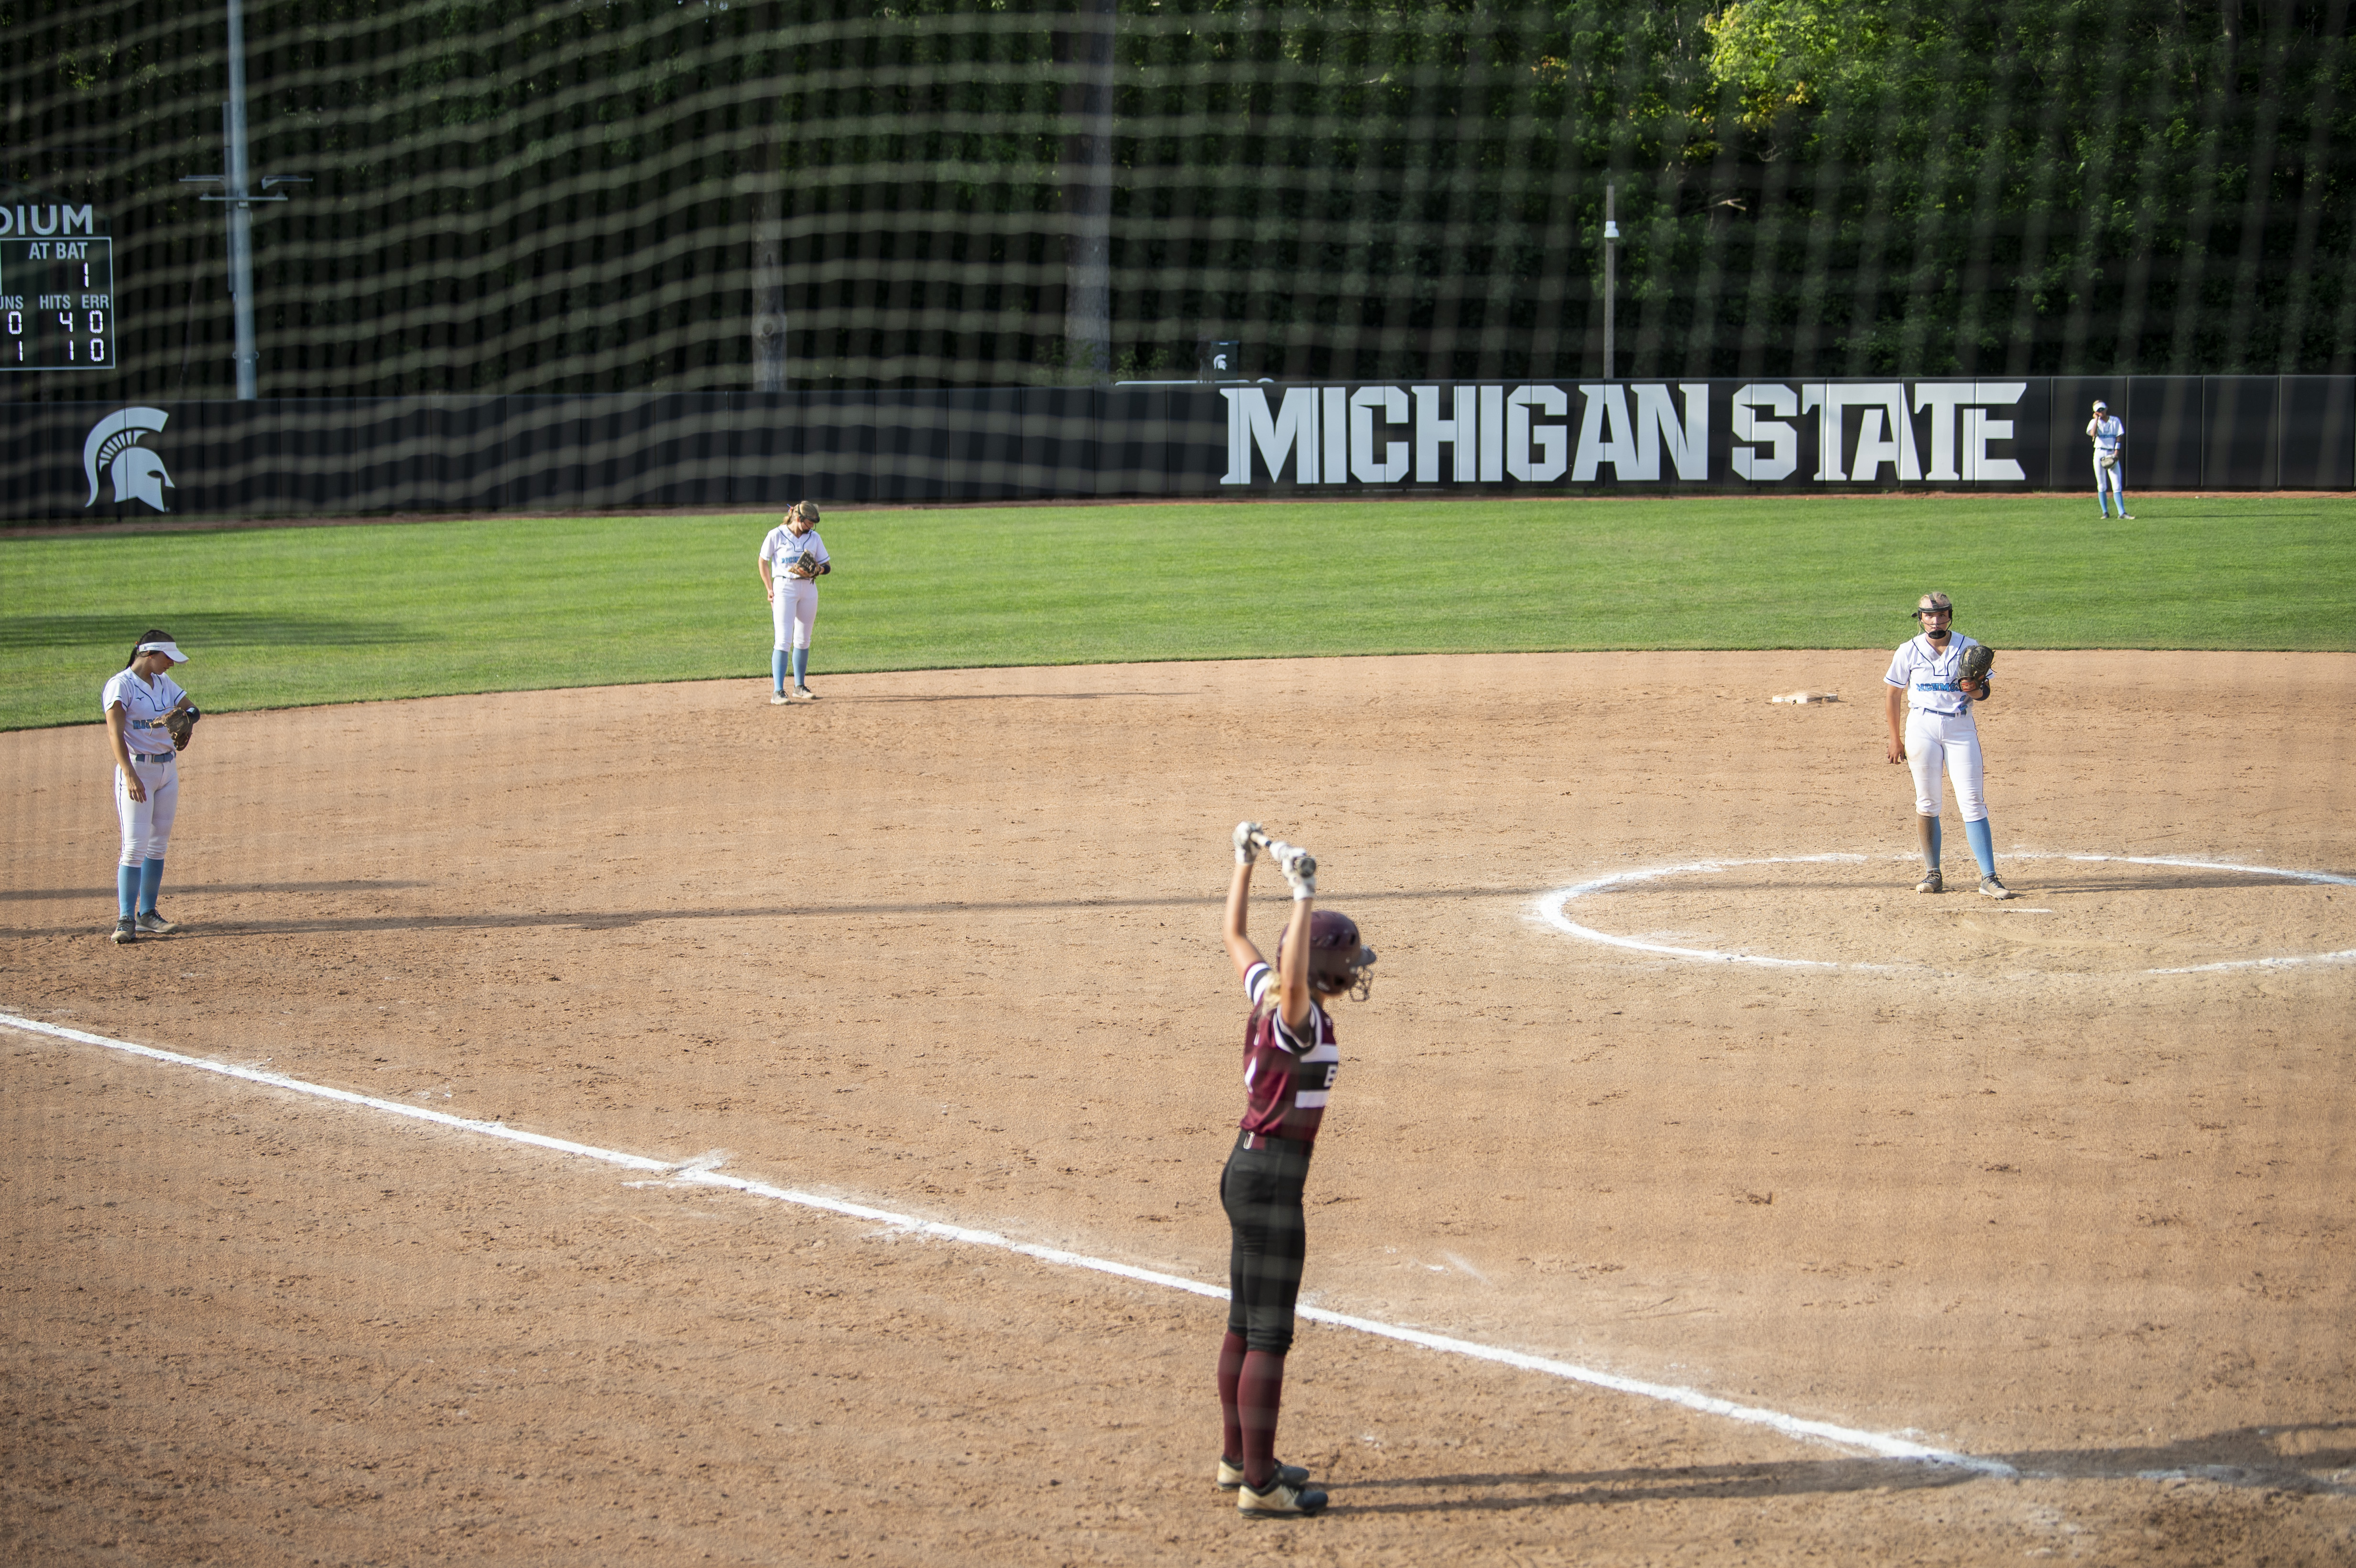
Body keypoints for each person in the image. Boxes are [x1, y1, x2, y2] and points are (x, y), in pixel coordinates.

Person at [1214, 821, 1376, 1518]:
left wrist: (1242, 865)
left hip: (1244, 1171)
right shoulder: (1296, 1018)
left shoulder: (1265, 993)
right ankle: (1261, 1485)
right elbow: (1296, 985)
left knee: (1244, 1324)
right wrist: (1304, 894)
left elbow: (1234, 937)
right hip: (1276, 1184)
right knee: (1270, 1336)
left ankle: (1237, 1459)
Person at [1885, 592, 2013, 899]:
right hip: (1921, 727)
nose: (1936, 621)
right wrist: (1894, 738)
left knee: (1973, 801)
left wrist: (1977, 689)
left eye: (1942, 615)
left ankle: (1989, 878)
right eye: (1930, 616)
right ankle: (1933, 873)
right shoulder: (1908, 651)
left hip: (1960, 727)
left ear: (1950, 616)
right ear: (1920, 619)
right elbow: (1892, 694)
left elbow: (1985, 693)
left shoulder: (1969, 646)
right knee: (1927, 802)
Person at [101, 631, 196, 944]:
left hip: (167, 771)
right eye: (168, 658)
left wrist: (187, 717)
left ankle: (148, 914)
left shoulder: (164, 684)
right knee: (134, 846)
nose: (171, 664)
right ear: (150, 654)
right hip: (138, 769)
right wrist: (129, 774)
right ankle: (126, 918)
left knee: (158, 846)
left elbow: (193, 708)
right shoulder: (121, 686)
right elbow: (115, 734)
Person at [755, 501, 831, 702]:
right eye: (809, 523)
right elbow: (763, 561)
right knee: (783, 640)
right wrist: (769, 589)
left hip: (808, 589)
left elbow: (827, 566)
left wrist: (819, 570)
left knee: (804, 639)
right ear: (799, 519)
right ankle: (778, 691)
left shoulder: (814, 538)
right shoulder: (776, 535)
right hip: (785, 588)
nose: (812, 527)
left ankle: (799, 686)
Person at [2086, 399, 2133, 519]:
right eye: (2098, 410)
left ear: (2106, 409)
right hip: (2099, 453)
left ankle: (2122, 513)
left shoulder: (2115, 420)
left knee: (2117, 484)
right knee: (2101, 485)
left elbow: (2119, 437)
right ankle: (2105, 512)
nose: (2101, 412)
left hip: (2111, 453)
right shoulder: (2093, 422)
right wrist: (2096, 419)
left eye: (2102, 409)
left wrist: (2116, 454)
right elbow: (2092, 434)